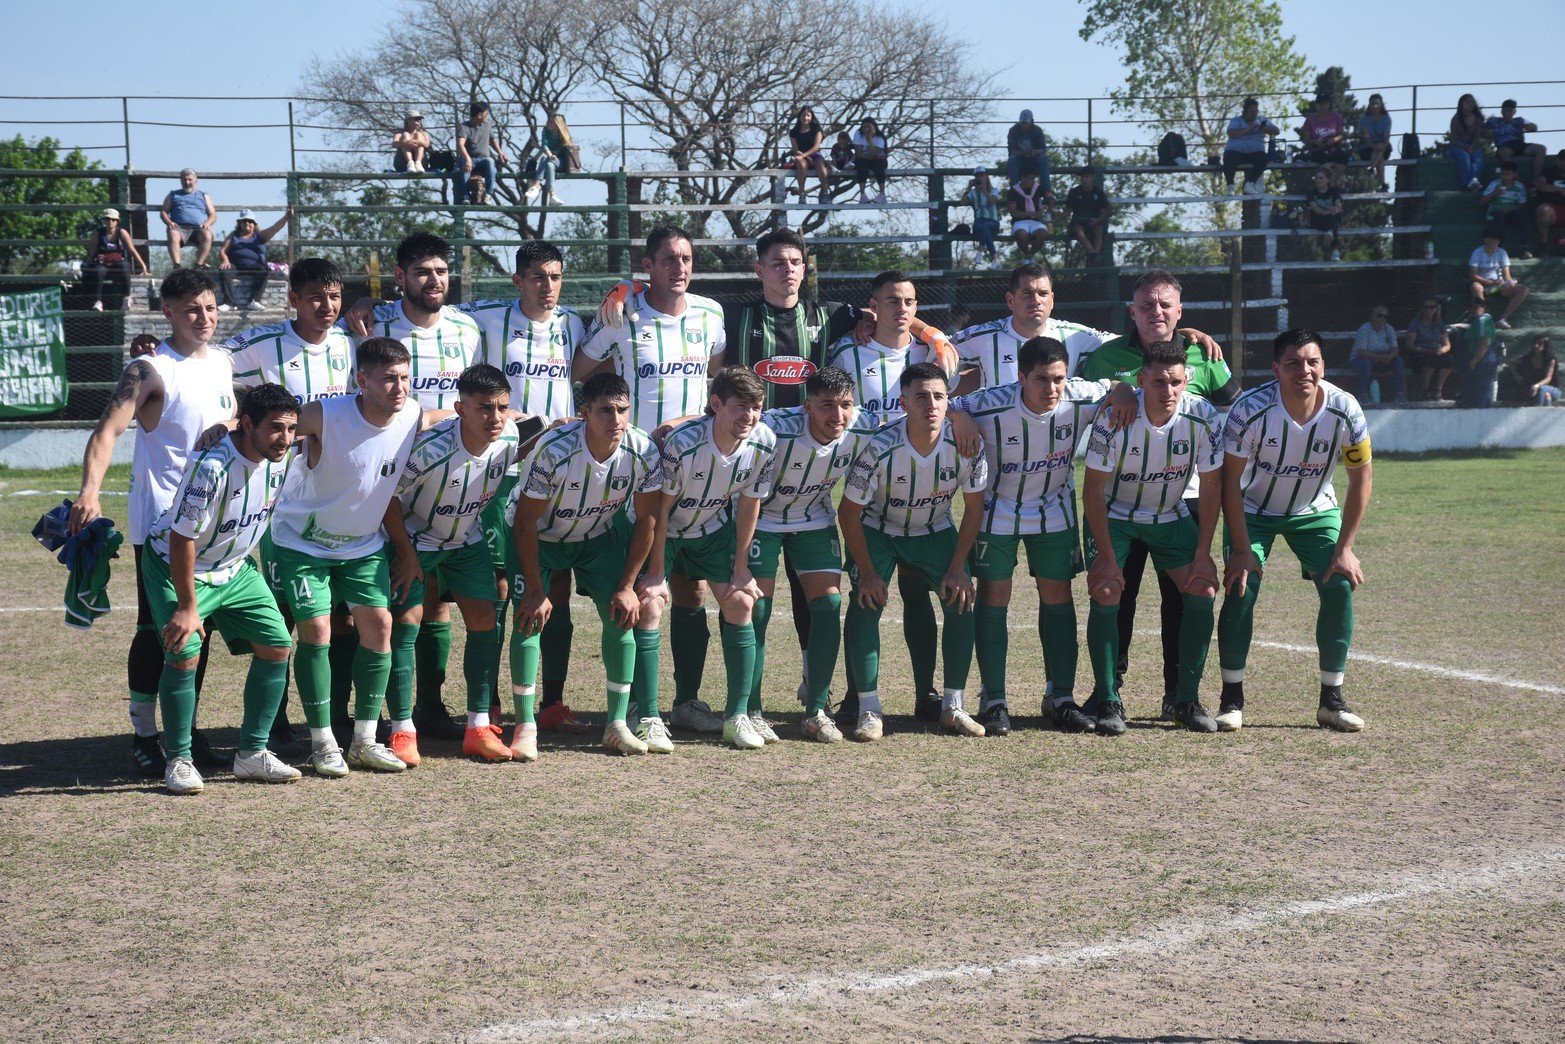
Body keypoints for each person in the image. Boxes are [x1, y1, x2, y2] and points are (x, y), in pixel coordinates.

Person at [70, 269, 235, 777]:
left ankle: (183, 731)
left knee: (197, 628)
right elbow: (107, 430)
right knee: (154, 629)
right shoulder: (148, 369)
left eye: (209, 307)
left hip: (213, 523)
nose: (203, 318)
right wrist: (90, 492)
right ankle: (144, 736)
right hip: (162, 527)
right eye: (191, 309)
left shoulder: (226, 362)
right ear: (168, 312)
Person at [261, 336, 438, 777]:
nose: (399, 388)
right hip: (302, 542)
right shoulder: (327, 414)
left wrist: (521, 419)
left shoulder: (412, 414)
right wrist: (226, 426)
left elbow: (448, 415)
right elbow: (272, 424)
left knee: (380, 624)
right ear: (362, 380)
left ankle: (364, 740)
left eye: (404, 377)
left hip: (361, 545)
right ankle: (322, 742)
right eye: (387, 379)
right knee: (317, 631)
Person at [574, 227, 728, 732]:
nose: (678, 268)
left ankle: (687, 700)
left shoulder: (710, 314)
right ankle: (643, 704)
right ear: (649, 266)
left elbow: (718, 379)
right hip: (637, 471)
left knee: (692, 591)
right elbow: (581, 367)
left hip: (696, 474)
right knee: (643, 590)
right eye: (668, 260)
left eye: (686, 259)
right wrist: (619, 292)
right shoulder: (625, 312)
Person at [1076, 269, 1239, 719]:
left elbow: (1231, 413)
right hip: (1120, 495)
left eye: (1165, 305)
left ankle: (1180, 695)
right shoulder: (1108, 358)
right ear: (1132, 312)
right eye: (1146, 305)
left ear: (1180, 311)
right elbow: (1080, 401)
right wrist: (1118, 385)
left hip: (1179, 496)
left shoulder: (1204, 356)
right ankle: (1108, 691)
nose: (1156, 313)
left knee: (1185, 596)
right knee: (1115, 593)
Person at [950, 336, 1119, 735]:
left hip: (1054, 509)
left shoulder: (1078, 396)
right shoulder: (990, 402)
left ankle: (1060, 697)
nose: (1052, 389)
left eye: (1058, 379)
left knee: (1057, 594)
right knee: (994, 595)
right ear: (1021, 377)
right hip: (997, 510)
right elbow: (949, 403)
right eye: (1042, 379)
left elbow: (1119, 385)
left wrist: (1124, 390)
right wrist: (958, 416)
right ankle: (994, 699)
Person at [222, 256, 356, 754]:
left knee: (339, 614)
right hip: (280, 501)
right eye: (317, 297)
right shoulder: (264, 343)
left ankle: (335, 715)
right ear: (293, 300)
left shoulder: (347, 344)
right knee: (283, 615)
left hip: (334, 497)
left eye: (335, 297)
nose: (328, 306)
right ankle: (273, 723)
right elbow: (211, 364)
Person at [352, 232, 483, 740]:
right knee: (393, 597)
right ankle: (378, 714)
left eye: (441, 271)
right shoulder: (371, 323)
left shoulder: (467, 327)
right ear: (400, 276)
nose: (434, 281)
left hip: (453, 477)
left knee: (440, 597)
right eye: (423, 272)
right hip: (388, 478)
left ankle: (430, 705)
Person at [144, 383, 299, 794]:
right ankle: (178, 759)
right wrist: (188, 607)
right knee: (184, 653)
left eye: (291, 429)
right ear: (248, 424)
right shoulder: (212, 468)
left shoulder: (281, 455)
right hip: (180, 565)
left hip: (235, 568)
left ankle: (251, 754)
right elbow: (182, 538)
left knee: (278, 645)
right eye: (275, 429)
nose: (285, 439)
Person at [1217, 329, 1374, 733]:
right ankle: (1231, 697)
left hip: (1313, 509)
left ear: (1323, 366)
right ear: (1275, 369)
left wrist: (1346, 548)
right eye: (1292, 363)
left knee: (1340, 582)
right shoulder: (1248, 411)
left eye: (1312, 362)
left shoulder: (1346, 409)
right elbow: (1229, 483)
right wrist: (1240, 547)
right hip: (1252, 509)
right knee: (1241, 583)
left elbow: (1361, 480)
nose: (1304, 370)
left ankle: (1331, 700)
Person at [461, 240, 588, 734]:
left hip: (556, 471)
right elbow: (433, 308)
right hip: (501, 469)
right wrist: (370, 305)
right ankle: (489, 704)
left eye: (555, 276)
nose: (547, 286)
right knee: (496, 587)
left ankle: (551, 702)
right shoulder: (487, 318)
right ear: (517, 281)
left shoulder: (573, 325)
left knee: (553, 582)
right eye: (537, 276)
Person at [826, 271, 962, 727]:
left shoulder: (934, 352)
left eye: (909, 301)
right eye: (891, 301)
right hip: (870, 490)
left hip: (923, 494)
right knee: (867, 594)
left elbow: (952, 406)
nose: (901, 309)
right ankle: (857, 694)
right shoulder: (849, 350)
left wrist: (933, 332)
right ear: (874, 307)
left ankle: (927, 693)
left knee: (920, 593)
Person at [510, 371, 665, 755]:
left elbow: (647, 518)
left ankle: (615, 725)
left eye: (623, 410)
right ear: (584, 413)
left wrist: (628, 586)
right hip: (541, 539)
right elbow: (525, 520)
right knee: (530, 619)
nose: (616, 421)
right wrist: (534, 587)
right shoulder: (554, 448)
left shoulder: (643, 449)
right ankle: (525, 726)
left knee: (623, 613)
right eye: (605, 411)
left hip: (597, 538)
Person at [383, 364, 525, 767]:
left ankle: (479, 726)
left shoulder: (511, 435)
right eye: (484, 408)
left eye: (501, 407)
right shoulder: (430, 450)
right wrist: (407, 556)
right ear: (460, 409)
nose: (495, 418)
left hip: (466, 538)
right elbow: (389, 499)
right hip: (416, 541)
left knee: (485, 615)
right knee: (407, 620)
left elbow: (541, 427)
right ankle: (402, 729)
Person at [838, 362, 988, 741]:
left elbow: (973, 508)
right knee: (867, 600)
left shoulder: (968, 444)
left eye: (939, 396)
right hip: (879, 529)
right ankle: (868, 709)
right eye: (921, 397)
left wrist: (958, 568)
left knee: (961, 598)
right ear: (903, 402)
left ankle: (953, 706)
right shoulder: (880, 446)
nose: (931, 404)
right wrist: (868, 572)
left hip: (934, 528)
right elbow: (850, 512)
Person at [751, 366, 883, 742]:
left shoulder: (864, 425)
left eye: (845, 405)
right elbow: (726, 420)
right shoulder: (774, 427)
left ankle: (816, 710)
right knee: (756, 610)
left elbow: (910, 423)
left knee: (827, 607)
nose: (837, 416)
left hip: (814, 518)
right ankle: (751, 709)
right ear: (806, 405)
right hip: (761, 519)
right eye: (826, 405)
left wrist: (957, 417)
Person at [649, 367, 778, 749]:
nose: (749, 417)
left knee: (741, 602)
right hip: (664, 531)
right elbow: (660, 506)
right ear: (716, 404)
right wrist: (656, 571)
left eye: (756, 407)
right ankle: (647, 713)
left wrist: (741, 568)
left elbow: (750, 502)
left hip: (710, 530)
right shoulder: (683, 443)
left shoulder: (765, 441)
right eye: (741, 407)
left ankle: (736, 716)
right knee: (650, 605)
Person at [217, 208, 291, 311]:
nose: (247, 223)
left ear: (254, 224)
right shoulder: (233, 235)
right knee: (224, 270)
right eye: (244, 221)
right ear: (240, 223)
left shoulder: (260, 235)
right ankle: (229, 303)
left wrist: (286, 217)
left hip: (255, 267)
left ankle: (254, 301)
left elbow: (275, 227)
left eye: (250, 221)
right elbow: (222, 251)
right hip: (236, 266)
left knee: (265, 269)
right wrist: (225, 260)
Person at [83, 208, 147, 312]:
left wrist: (143, 266)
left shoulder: (122, 233)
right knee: (98, 272)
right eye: (107, 219)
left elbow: (132, 250)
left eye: (113, 219)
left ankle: (127, 297)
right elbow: (93, 252)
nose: (110, 222)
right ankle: (98, 301)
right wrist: (87, 264)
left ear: (117, 221)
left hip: (117, 261)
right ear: (104, 220)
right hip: (103, 262)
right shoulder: (98, 233)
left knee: (125, 267)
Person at [1468, 227, 1529, 329]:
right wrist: (1489, 282)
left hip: (1498, 285)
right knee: (1476, 287)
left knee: (1523, 290)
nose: (1496, 242)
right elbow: (1472, 275)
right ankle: (1483, 319)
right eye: (1493, 239)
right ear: (1486, 239)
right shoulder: (1477, 253)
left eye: (1497, 240)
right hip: (1483, 283)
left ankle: (1502, 319)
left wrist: (1510, 282)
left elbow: (1506, 275)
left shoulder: (1501, 253)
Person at [1348, 304, 1406, 404]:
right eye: (1379, 315)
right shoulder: (1364, 329)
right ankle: (1363, 396)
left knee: (1398, 361)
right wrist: (1378, 357)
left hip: (1382, 360)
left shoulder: (1389, 329)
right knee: (1365, 363)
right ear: (1372, 316)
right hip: (1361, 360)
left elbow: (1395, 350)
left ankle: (1399, 395)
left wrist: (1388, 357)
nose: (1382, 318)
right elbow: (1361, 351)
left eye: (1385, 316)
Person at [160, 168, 216, 268]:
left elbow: (212, 214)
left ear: (195, 180)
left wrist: (207, 223)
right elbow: (164, 211)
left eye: (190, 179)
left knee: (208, 236)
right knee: (172, 234)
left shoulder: (204, 196)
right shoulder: (173, 195)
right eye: (184, 180)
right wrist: (169, 222)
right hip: (179, 228)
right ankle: (177, 266)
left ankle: (199, 265)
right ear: (181, 181)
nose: (187, 182)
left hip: (199, 228)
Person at [1222, 97, 1279, 195]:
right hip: (1237, 152)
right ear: (1245, 111)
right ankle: (1230, 185)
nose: (1254, 114)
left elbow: (1276, 131)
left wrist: (1264, 129)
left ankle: (1250, 184)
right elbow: (1231, 133)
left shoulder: (1261, 120)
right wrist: (1250, 128)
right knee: (1228, 159)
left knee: (1263, 160)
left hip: (1255, 152)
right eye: (1252, 111)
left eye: (1256, 111)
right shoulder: (1236, 121)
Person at [1402, 298, 1455, 403]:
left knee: (1449, 360)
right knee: (1430, 360)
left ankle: (1437, 389)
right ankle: (1425, 388)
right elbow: (1410, 344)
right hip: (1420, 353)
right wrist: (1425, 350)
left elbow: (1447, 344)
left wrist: (1442, 350)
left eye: (1432, 307)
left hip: (1437, 351)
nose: (1429, 310)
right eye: (1426, 307)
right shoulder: (1416, 323)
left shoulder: (1440, 324)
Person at [455, 101, 507, 205]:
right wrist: (467, 158)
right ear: (479, 114)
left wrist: (500, 153)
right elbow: (460, 145)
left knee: (490, 161)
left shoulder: (487, 126)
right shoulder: (464, 127)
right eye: (486, 114)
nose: (487, 116)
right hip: (469, 160)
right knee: (464, 164)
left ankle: (488, 194)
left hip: (483, 160)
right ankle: (466, 196)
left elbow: (493, 140)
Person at [1459, 296, 1501, 407]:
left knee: (1482, 393)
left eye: (1476, 307)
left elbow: (1484, 342)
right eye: (1471, 307)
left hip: (1483, 360)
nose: (1473, 310)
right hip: (1481, 360)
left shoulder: (1484, 320)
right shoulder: (1477, 322)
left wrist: (1474, 361)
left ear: (1484, 308)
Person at [1482, 162, 1532, 255]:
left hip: (1511, 213)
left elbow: (1522, 204)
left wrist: (1511, 209)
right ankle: (1498, 248)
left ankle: (1525, 248)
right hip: (1495, 213)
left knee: (1522, 215)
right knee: (1499, 215)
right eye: (1502, 174)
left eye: (1508, 174)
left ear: (1515, 174)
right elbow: (1481, 201)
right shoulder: (1494, 184)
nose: (1504, 177)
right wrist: (1494, 193)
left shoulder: (1519, 186)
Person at [523, 112, 573, 206]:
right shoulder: (545, 130)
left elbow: (566, 150)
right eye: (548, 121)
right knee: (549, 164)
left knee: (547, 159)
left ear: (557, 124)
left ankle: (537, 186)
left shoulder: (564, 134)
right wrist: (550, 155)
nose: (547, 123)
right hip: (550, 160)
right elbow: (544, 145)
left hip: (561, 162)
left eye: (551, 122)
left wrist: (551, 156)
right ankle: (553, 196)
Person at [1299, 95, 1349, 185]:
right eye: (1320, 104)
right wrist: (1315, 142)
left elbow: (1342, 135)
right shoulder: (1310, 120)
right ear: (1316, 105)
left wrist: (1334, 139)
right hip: (1318, 150)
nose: (1322, 106)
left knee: (1344, 157)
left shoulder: (1336, 117)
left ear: (1328, 104)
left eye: (1324, 103)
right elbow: (1306, 139)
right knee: (1322, 159)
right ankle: (1326, 184)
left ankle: (1332, 181)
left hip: (1333, 147)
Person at [1065, 168, 1110, 266]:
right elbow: (1068, 211)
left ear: (1092, 178)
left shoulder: (1099, 193)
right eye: (1082, 177)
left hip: (1094, 221)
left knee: (1099, 229)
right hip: (1078, 221)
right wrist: (1057, 217)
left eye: (1087, 177)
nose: (1084, 180)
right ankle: (1094, 255)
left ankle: (1094, 254)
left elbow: (1104, 213)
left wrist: (1097, 220)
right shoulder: (1074, 192)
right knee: (1078, 230)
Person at [1298, 167, 1344, 261]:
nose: (1318, 180)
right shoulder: (1312, 193)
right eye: (1316, 178)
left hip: (1331, 217)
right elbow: (1315, 209)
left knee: (1334, 218)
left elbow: (1339, 206)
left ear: (1327, 179)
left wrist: (1335, 209)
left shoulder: (1333, 191)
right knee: (1333, 223)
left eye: (1321, 178)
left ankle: (1329, 239)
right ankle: (1335, 251)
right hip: (1318, 219)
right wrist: (1326, 212)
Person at [786, 107, 831, 202]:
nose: (805, 117)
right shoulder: (793, 132)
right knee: (801, 165)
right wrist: (803, 157)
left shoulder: (817, 129)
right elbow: (795, 150)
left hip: (814, 154)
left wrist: (806, 156)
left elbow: (816, 147)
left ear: (811, 117)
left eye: (808, 115)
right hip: (800, 155)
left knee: (820, 165)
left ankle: (825, 193)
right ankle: (802, 194)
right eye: (803, 115)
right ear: (799, 117)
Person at [1484, 99, 1547, 167]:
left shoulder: (1520, 120)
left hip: (1520, 145)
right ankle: (1514, 175)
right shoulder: (1494, 121)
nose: (1507, 113)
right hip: (1504, 145)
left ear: (1514, 111)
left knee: (1541, 149)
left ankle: (1537, 176)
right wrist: (1487, 132)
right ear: (1501, 111)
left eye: (1509, 111)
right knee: (1503, 153)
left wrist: (1531, 127)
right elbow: (1482, 129)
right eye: (1505, 110)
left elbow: (1534, 127)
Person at [1006, 170, 1051, 260]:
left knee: (1042, 233)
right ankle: (1027, 255)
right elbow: (1014, 213)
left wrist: (1049, 210)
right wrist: (1033, 213)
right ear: (1023, 178)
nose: (1033, 181)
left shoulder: (1037, 188)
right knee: (1021, 234)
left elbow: (1051, 197)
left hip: (1036, 221)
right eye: (1031, 179)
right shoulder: (1013, 191)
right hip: (1019, 222)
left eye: (1034, 179)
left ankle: (1029, 256)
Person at [965, 166, 1003, 266]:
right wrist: (969, 187)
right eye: (977, 176)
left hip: (993, 223)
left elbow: (991, 202)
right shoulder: (973, 192)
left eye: (981, 175)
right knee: (984, 229)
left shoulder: (995, 190)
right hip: (979, 223)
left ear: (986, 176)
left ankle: (980, 252)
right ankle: (995, 259)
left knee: (985, 227)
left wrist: (984, 190)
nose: (979, 178)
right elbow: (962, 202)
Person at [1449, 94, 1487, 191]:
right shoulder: (1456, 118)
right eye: (1467, 102)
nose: (1470, 104)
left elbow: (1477, 136)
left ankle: (1475, 181)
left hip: (1472, 145)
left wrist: (1471, 147)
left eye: (1472, 102)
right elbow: (1454, 138)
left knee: (1477, 157)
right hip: (1458, 146)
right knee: (1464, 157)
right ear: (1461, 104)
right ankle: (1465, 184)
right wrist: (1464, 147)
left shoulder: (1478, 119)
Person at [1532, 148, 1565, 257]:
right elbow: (1540, 185)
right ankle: (1543, 244)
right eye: (1562, 160)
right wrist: (1558, 189)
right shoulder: (1548, 171)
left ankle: (1562, 244)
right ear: (1558, 161)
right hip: (1552, 209)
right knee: (1543, 210)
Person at [1357, 93, 1393, 192]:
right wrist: (1375, 147)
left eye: (1377, 104)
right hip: (1366, 148)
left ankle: (1372, 168)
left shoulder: (1386, 119)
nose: (1375, 106)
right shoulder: (1363, 120)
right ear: (1369, 105)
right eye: (1372, 104)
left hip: (1383, 147)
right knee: (1379, 156)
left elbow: (1386, 138)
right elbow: (1366, 138)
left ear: (1381, 105)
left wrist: (1382, 146)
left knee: (1380, 150)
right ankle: (1383, 184)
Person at [1006, 109, 1050, 191]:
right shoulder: (1013, 131)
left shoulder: (1037, 130)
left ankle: (1046, 191)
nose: (1024, 126)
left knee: (1043, 159)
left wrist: (1034, 152)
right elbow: (1011, 150)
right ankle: (1015, 191)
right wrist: (1023, 153)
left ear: (1032, 122)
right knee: (1012, 160)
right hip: (1020, 160)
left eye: (1026, 123)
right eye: (1022, 123)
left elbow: (1043, 149)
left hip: (1034, 159)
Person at [1511, 335, 1560, 406]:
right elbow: (1512, 363)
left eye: (1540, 343)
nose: (1536, 345)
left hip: (1553, 389)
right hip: (1533, 390)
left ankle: (1538, 410)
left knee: (1543, 389)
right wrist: (1517, 376)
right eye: (1535, 343)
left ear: (1545, 346)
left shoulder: (1551, 359)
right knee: (1546, 395)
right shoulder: (1528, 358)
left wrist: (1537, 385)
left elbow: (1548, 378)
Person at [851, 118, 889, 203]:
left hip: (879, 162)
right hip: (864, 160)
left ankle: (882, 194)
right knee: (861, 163)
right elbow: (858, 154)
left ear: (874, 127)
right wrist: (873, 157)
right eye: (864, 127)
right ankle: (862, 195)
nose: (866, 129)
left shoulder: (880, 138)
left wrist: (870, 140)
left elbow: (875, 153)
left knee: (878, 164)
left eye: (869, 127)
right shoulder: (858, 134)